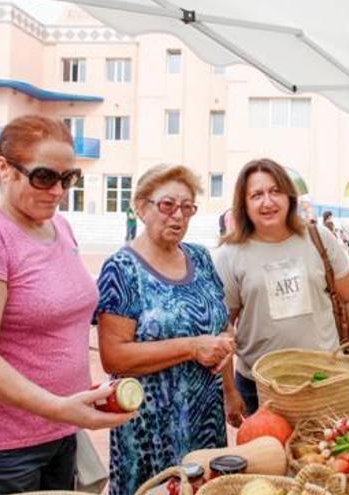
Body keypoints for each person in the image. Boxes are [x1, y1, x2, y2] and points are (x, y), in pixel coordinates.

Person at [0, 115, 133, 494]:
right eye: (44, 177)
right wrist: (60, 407)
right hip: (0, 450)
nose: (57, 191)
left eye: (68, 179)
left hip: (59, 432)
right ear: (3, 168)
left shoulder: (59, 226)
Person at [94, 164, 240, 494]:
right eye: (167, 205)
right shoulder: (122, 269)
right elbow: (114, 357)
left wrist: (230, 391)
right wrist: (191, 347)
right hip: (149, 428)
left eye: (187, 207)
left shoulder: (201, 258)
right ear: (141, 207)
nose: (178, 216)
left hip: (205, 418)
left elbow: (221, 328)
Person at [215, 158, 349, 414]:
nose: (268, 202)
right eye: (256, 195)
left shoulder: (319, 238)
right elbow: (224, 328)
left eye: (275, 191)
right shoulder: (230, 254)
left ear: (289, 196)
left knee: (327, 453)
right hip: (260, 387)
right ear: (244, 204)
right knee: (269, 453)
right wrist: (230, 392)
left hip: (325, 380)